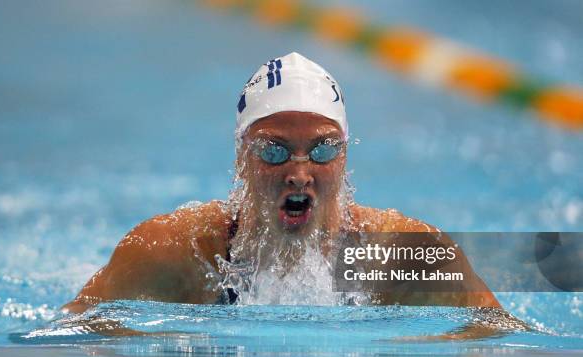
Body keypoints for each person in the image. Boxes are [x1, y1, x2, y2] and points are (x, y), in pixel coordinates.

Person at [63, 52, 500, 314]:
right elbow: (70, 340)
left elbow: (505, 346)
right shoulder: (173, 254)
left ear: (345, 156)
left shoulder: (404, 256)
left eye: (323, 150)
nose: (299, 172)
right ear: (242, 158)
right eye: (273, 150)